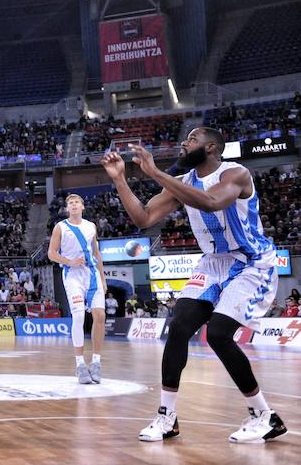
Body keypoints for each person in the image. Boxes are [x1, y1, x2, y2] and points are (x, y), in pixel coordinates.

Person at [101, 128, 287, 443]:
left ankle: (265, 416)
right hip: (213, 263)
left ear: (211, 147)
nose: (185, 142)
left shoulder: (236, 174)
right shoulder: (184, 183)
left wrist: (156, 172)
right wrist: (120, 180)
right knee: (178, 327)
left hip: (252, 263)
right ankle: (166, 418)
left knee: (217, 334)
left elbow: (212, 202)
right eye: (184, 138)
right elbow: (143, 218)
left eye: (192, 139)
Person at [47, 194, 107, 384]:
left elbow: (96, 253)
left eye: (76, 202)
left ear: (83, 206)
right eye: (70, 203)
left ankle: (96, 363)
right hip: (72, 276)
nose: (73, 204)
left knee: (100, 316)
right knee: (79, 316)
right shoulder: (61, 227)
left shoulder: (91, 226)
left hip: (92, 275)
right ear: (67, 209)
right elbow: (51, 254)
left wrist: (103, 279)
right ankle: (80, 364)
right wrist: (69, 262)